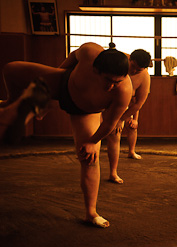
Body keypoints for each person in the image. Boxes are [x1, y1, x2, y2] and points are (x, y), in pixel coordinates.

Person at [2, 42, 133, 228]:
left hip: (85, 112)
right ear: (95, 70)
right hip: (62, 84)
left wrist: (92, 141)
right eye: (108, 80)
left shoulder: (124, 91)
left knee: (89, 157)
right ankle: (25, 103)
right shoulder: (89, 52)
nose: (111, 86)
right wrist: (52, 78)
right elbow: (73, 56)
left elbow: (110, 123)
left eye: (117, 81)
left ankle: (91, 213)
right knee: (11, 69)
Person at [104, 48, 151, 184]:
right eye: (133, 66)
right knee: (92, 128)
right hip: (100, 100)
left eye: (139, 70)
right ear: (129, 59)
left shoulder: (144, 77)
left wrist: (120, 119)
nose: (134, 71)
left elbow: (138, 104)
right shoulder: (118, 61)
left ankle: (113, 172)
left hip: (120, 106)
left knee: (115, 134)